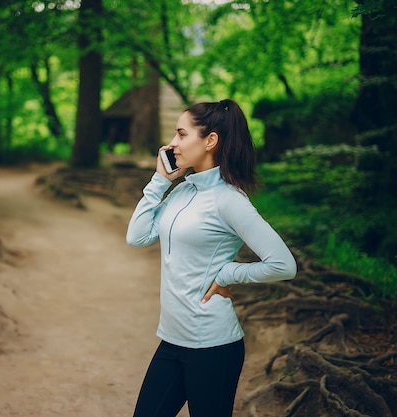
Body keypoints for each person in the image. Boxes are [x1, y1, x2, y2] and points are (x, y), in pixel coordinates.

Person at [126, 99, 297, 417]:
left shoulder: (229, 200)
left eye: (180, 134)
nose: (172, 144)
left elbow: (283, 264)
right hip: (173, 339)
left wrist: (227, 274)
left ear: (210, 140)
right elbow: (137, 237)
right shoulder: (181, 191)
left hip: (213, 346)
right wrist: (159, 181)